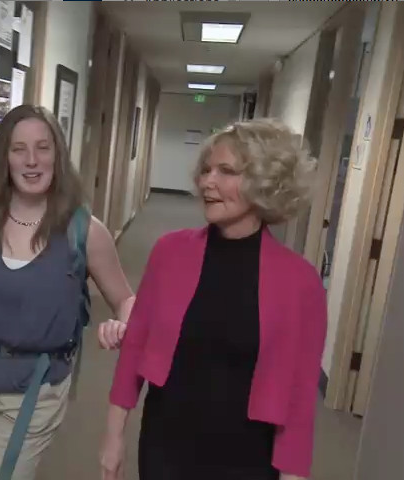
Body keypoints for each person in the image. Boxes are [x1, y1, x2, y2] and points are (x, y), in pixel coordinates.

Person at [100, 119, 327, 480]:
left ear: (265, 184)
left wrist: (293, 476)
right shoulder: (169, 252)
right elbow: (134, 350)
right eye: (206, 170)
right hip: (165, 448)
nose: (208, 181)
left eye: (226, 171)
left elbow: (299, 400)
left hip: (247, 460)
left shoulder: (301, 283)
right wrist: (113, 440)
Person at [0, 105, 135, 480]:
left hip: (36, 386)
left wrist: (123, 325)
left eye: (43, 148)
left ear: (58, 155)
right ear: (4, 156)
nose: (31, 160)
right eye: (19, 149)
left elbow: (127, 300)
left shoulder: (85, 230)